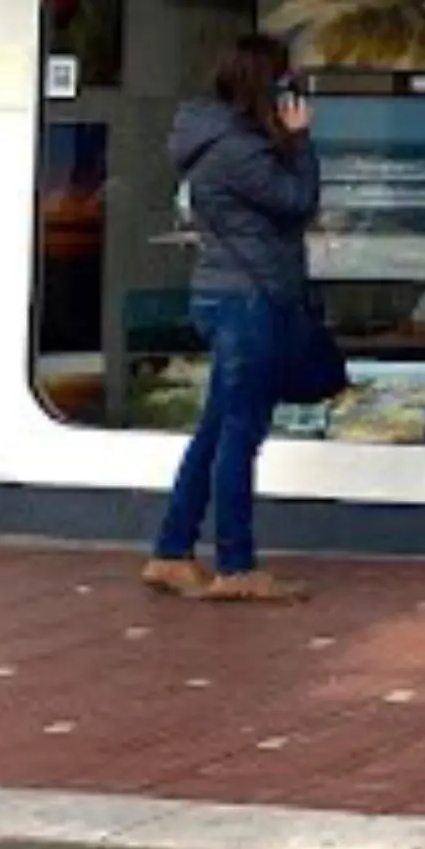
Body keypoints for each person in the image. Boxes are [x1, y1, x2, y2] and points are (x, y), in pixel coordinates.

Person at [143, 33, 322, 604]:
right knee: (240, 434)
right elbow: (297, 201)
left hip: (227, 293)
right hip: (247, 299)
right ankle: (236, 564)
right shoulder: (238, 149)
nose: (288, 94)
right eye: (282, 82)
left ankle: (172, 551)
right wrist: (300, 144)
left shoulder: (214, 137)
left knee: (218, 428)